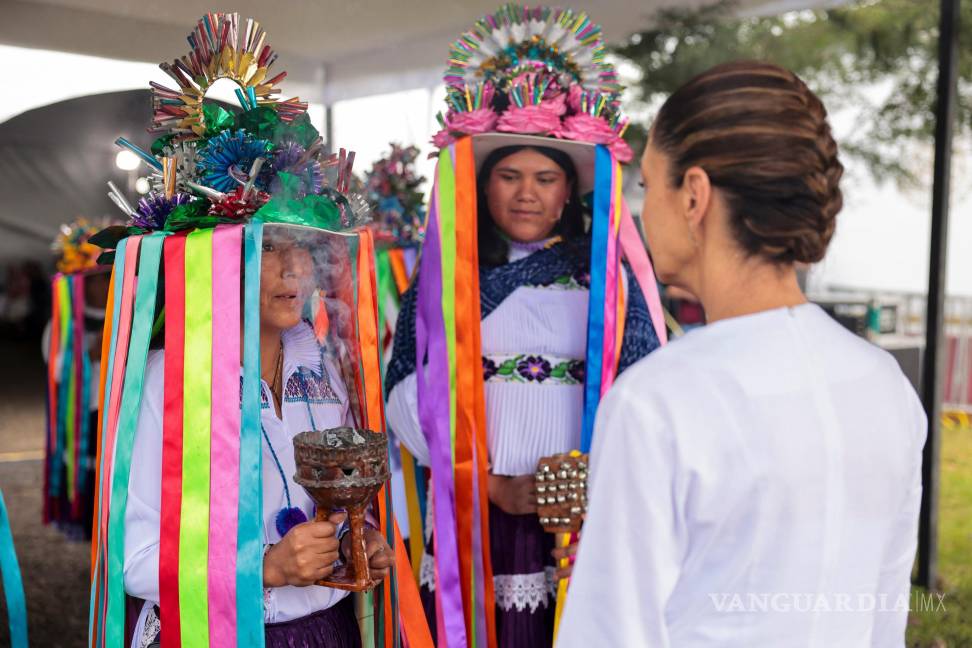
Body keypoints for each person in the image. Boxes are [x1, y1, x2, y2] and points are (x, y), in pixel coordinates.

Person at [558, 60, 926, 647]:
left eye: (648, 186)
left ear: (695, 196)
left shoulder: (658, 400)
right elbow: (883, 614)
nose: (640, 211)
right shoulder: (885, 384)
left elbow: (610, 632)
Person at [384, 6, 664, 646]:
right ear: (481, 188)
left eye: (545, 178)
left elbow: (645, 390)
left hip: (586, 514)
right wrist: (487, 485)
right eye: (508, 176)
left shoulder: (608, 285)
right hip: (475, 509)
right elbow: (405, 394)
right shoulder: (445, 284)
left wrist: (602, 485)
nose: (526, 193)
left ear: (570, 192)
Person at [125, 228, 393, 647]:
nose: (294, 267)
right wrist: (264, 567)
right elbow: (134, 558)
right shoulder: (171, 382)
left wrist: (352, 542)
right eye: (266, 246)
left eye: (302, 246)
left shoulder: (323, 370)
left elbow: (338, 500)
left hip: (328, 630)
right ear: (211, 255)